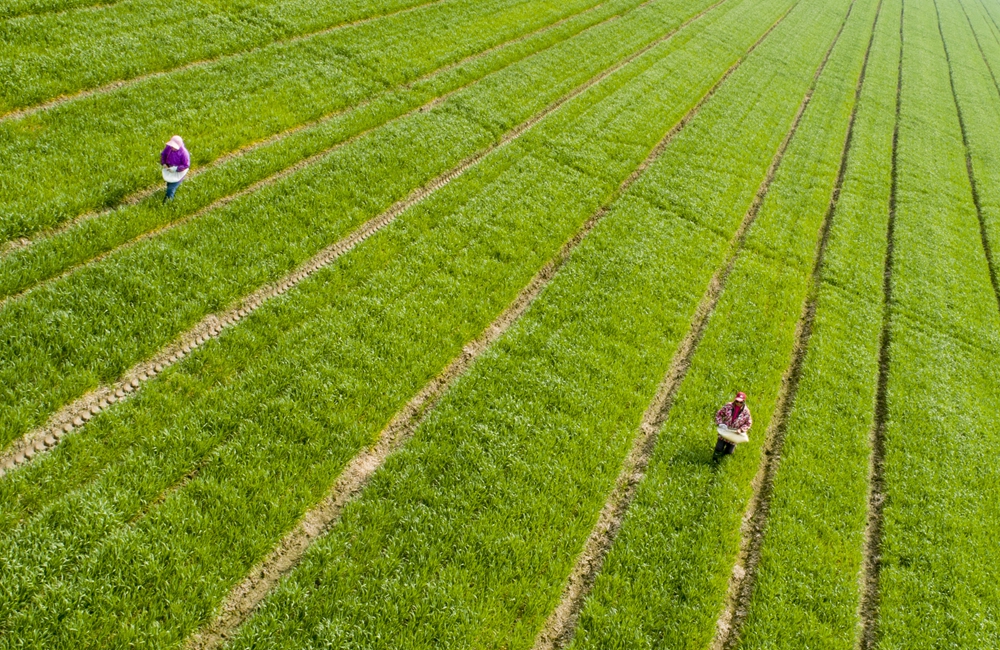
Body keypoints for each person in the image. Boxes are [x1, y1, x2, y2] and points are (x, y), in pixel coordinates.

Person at [714, 391, 752, 458]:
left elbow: (748, 423)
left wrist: (741, 429)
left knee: (729, 452)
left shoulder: (746, 412)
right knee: (718, 448)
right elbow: (719, 414)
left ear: (744, 402)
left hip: (735, 433)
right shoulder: (728, 406)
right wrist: (720, 423)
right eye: (737, 401)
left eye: (741, 402)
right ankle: (715, 459)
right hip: (725, 431)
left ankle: (722, 460)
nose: (738, 403)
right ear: (735, 399)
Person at [160, 135, 190, 202]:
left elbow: (186, 165)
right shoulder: (169, 148)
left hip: (179, 171)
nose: (172, 148)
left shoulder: (184, 153)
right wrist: (164, 163)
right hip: (169, 168)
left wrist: (176, 169)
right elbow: (163, 154)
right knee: (169, 183)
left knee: (171, 188)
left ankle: (168, 201)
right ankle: (169, 193)